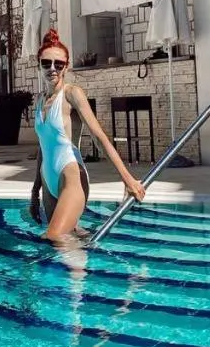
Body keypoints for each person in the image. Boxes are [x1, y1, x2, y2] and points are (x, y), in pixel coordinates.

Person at [29, 28, 145, 245]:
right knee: (68, 238)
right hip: (48, 178)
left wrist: (127, 179)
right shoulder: (40, 99)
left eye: (59, 64)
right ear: (39, 65)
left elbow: (99, 136)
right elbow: (43, 148)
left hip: (70, 176)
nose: (52, 68)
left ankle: (91, 273)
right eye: (46, 63)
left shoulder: (72, 93)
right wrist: (36, 190)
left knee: (56, 237)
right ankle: (84, 273)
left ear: (66, 67)